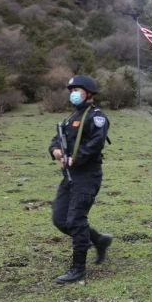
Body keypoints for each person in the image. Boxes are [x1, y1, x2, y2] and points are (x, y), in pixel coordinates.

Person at [49, 75, 112, 283]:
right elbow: (57, 140)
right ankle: (98, 240)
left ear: (89, 93)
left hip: (87, 175)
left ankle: (78, 269)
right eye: (72, 90)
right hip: (69, 176)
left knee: (76, 219)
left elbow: (96, 143)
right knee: (60, 218)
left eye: (78, 90)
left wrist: (75, 158)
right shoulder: (70, 118)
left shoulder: (96, 117)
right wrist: (56, 151)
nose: (73, 94)